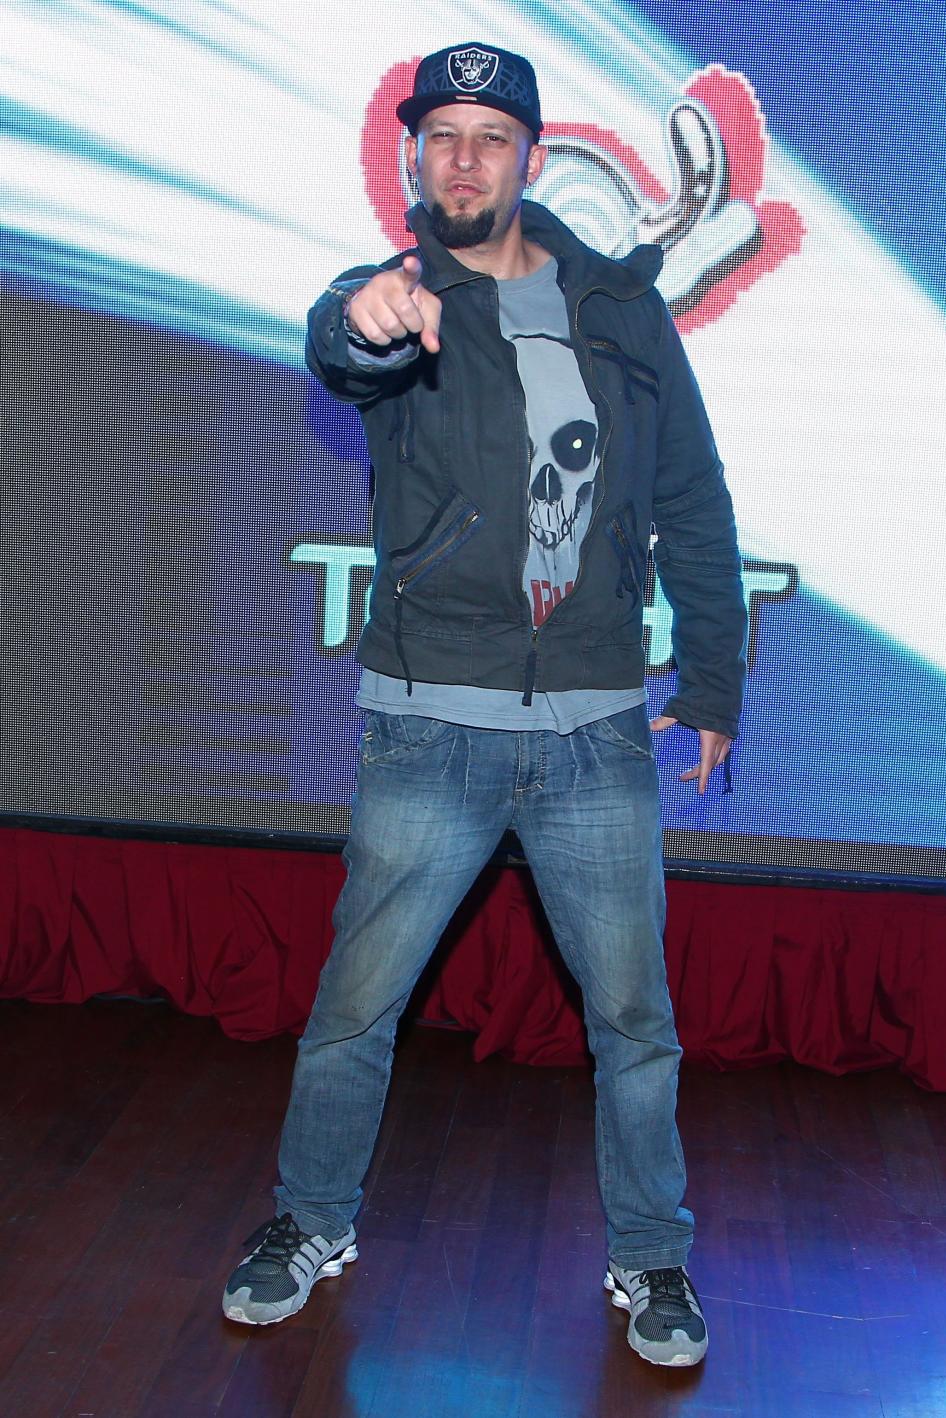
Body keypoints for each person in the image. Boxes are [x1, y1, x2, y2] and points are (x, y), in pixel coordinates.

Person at [222, 42, 747, 1368]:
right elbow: (342, 340)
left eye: (489, 136)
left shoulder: (621, 308)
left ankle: (650, 1255)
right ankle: (309, 1220)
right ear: (412, 157)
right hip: (429, 730)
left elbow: (692, 499)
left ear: (530, 156)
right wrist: (366, 321)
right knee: (355, 1006)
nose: (462, 156)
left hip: (593, 732)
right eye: (439, 135)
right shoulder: (402, 296)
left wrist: (718, 679)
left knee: (634, 1024)